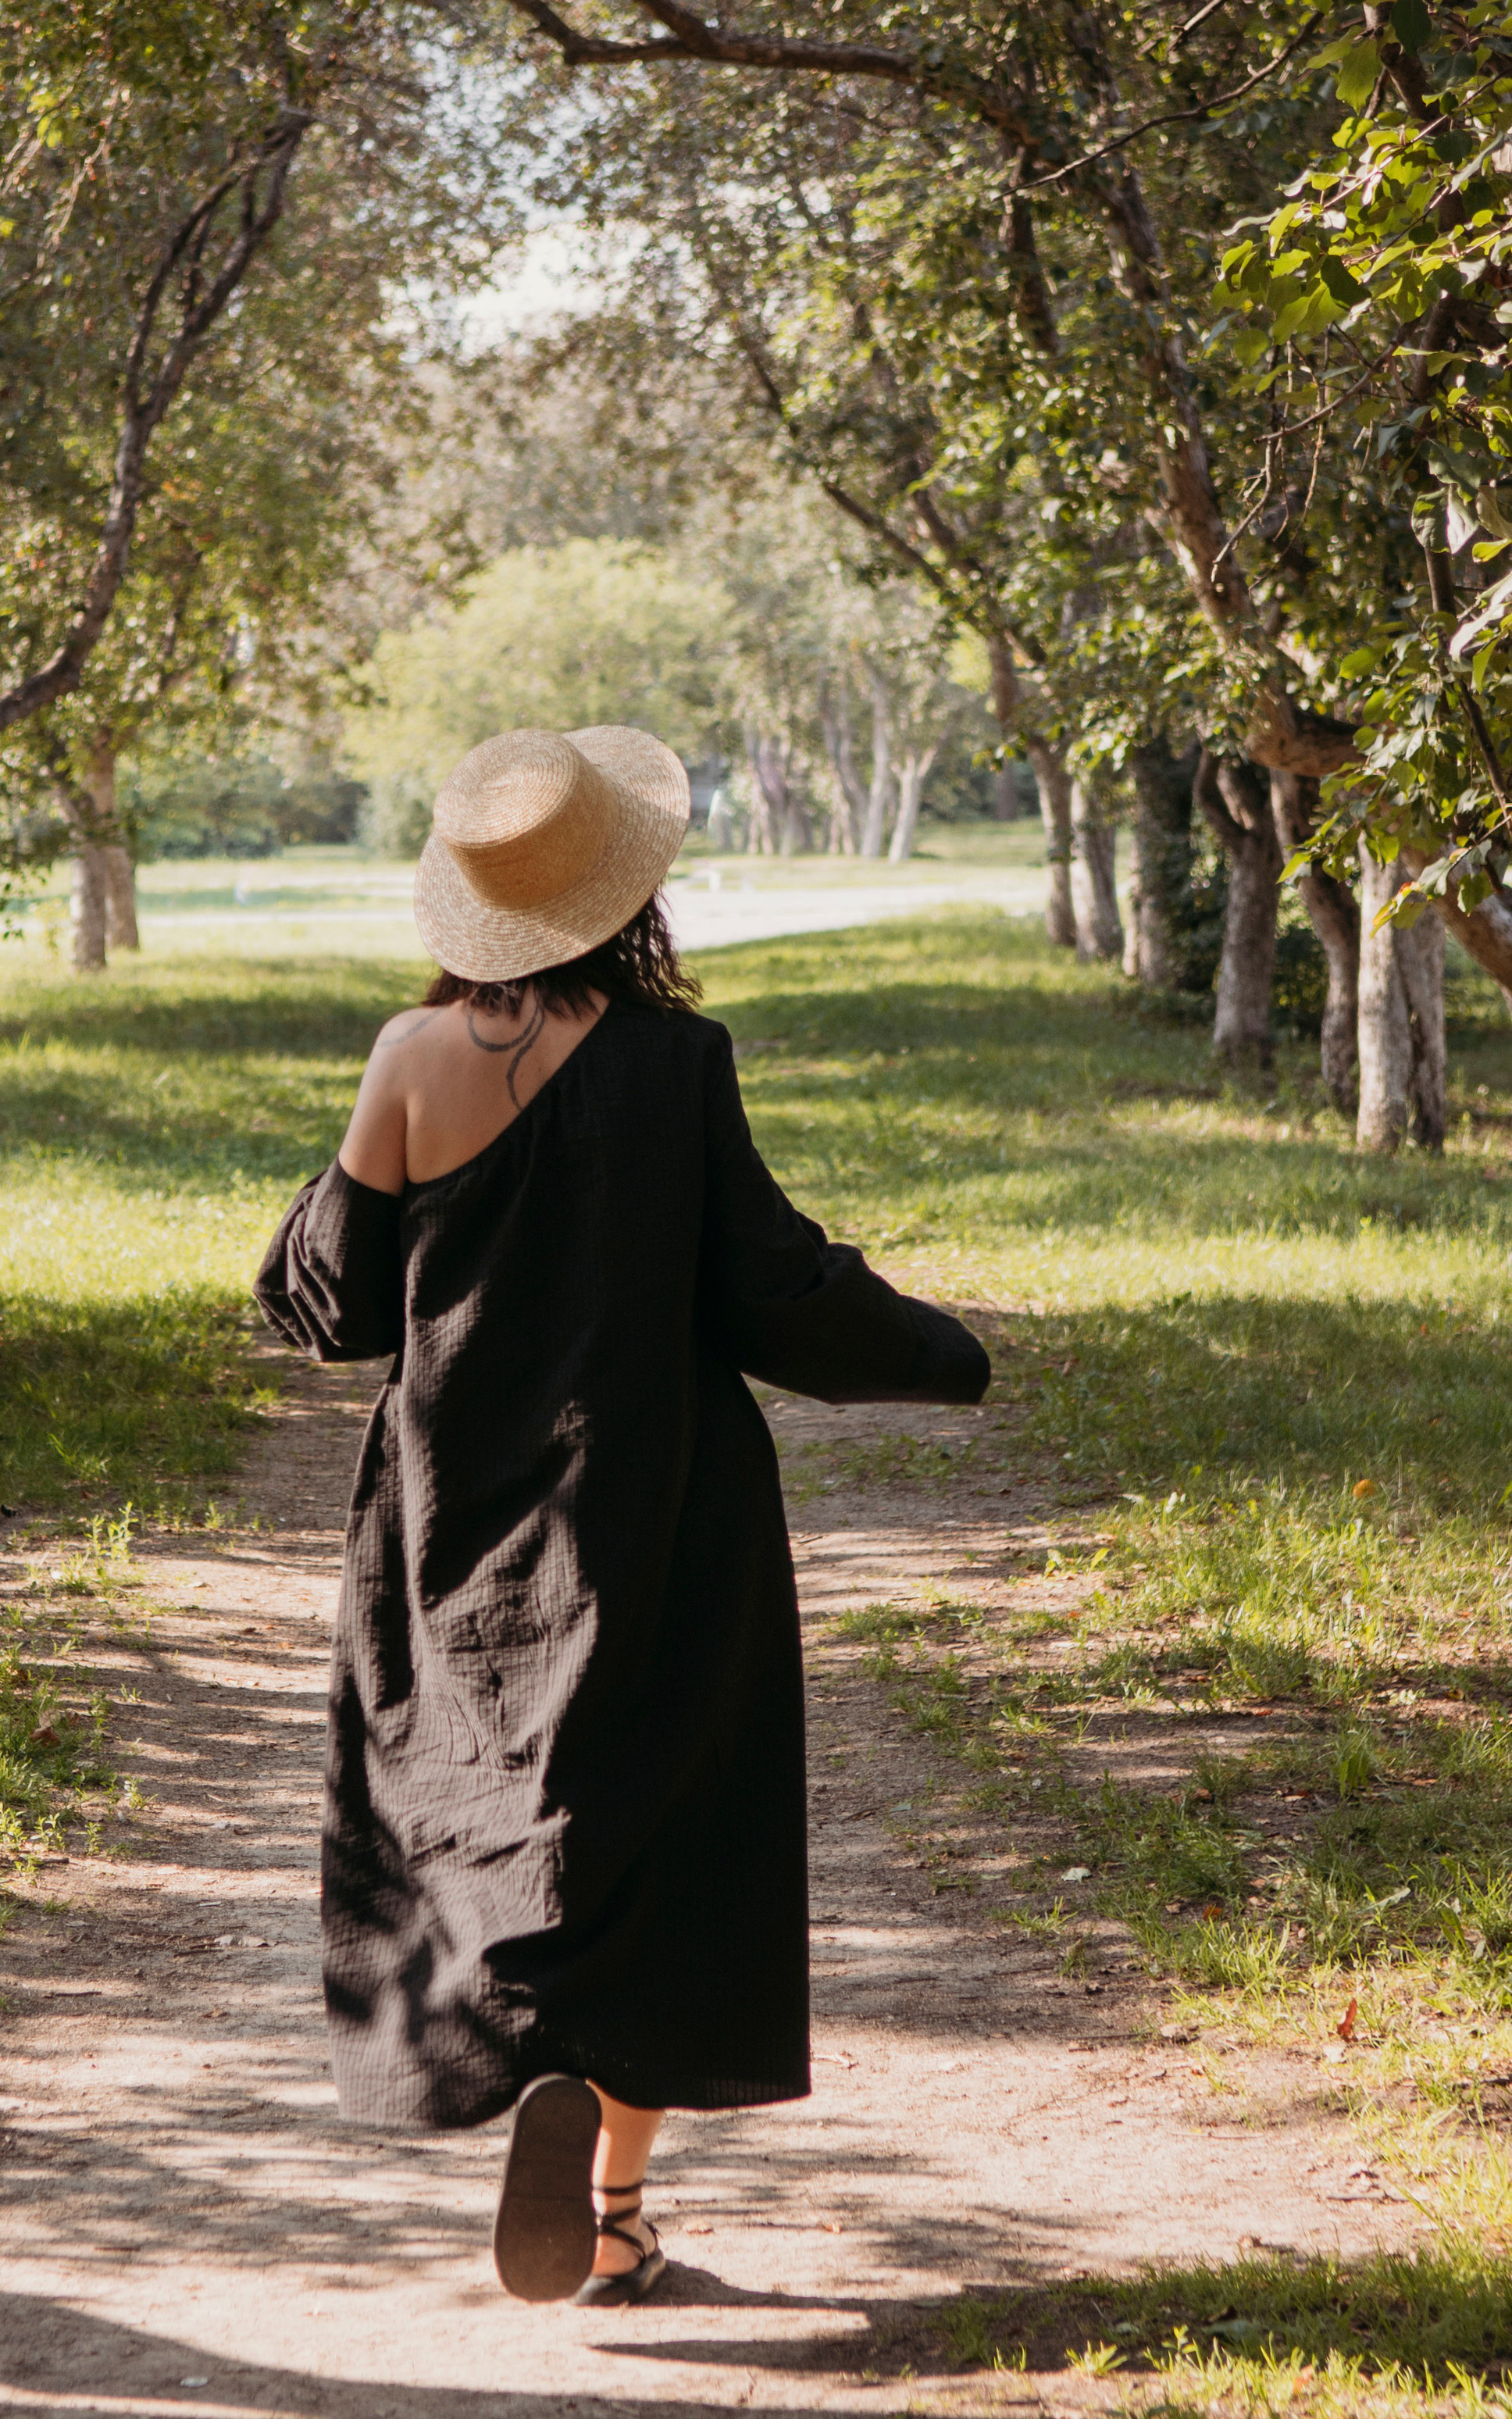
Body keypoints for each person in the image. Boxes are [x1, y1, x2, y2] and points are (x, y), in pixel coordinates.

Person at [255, 724, 990, 2305]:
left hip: (446, 1510)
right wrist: (942, 1354)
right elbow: (771, 1287)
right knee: (665, 1822)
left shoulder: (404, 1058)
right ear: (621, 893)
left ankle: (514, 2042)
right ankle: (612, 2202)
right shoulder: (676, 1066)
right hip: (652, 1501)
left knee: (459, 1789)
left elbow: (336, 1310)